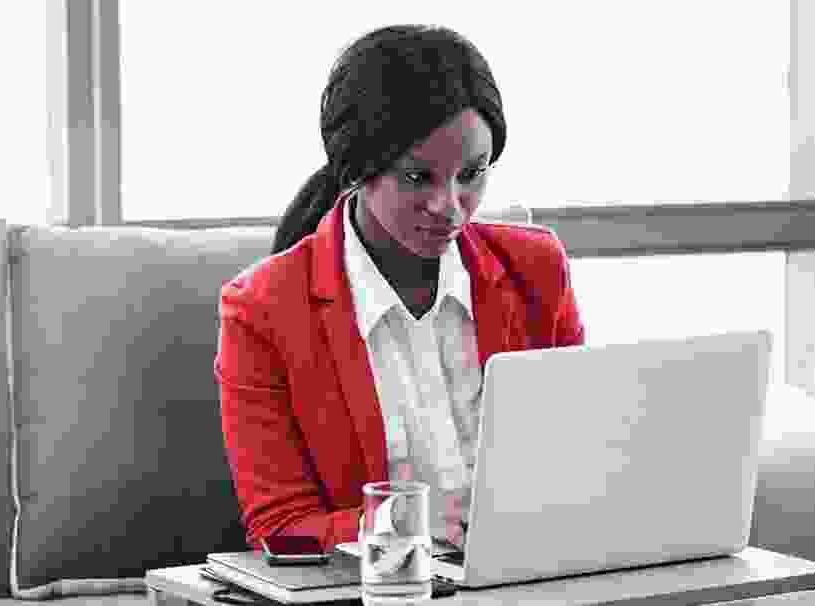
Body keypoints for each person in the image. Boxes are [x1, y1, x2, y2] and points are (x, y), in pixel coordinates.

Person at [214, 24, 585, 554]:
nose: (449, 206)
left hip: (526, 573)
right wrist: (403, 522)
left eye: (472, 174)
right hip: (379, 585)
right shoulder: (262, 311)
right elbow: (280, 529)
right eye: (418, 177)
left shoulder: (538, 271)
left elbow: (577, 460)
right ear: (357, 170)